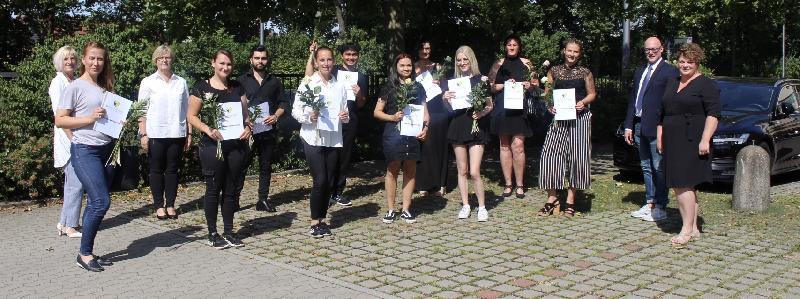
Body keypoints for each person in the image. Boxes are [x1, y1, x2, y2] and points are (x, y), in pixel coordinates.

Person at [55, 41, 116, 272]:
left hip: (106, 150)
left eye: (100, 58)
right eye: (92, 58)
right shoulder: (74, 86)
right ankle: (84, 254)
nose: (96, 62)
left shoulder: (105, 88)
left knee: (95, 202)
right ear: (83, 59)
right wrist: (89, 119)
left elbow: (106, 121)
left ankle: (87, 251)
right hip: (84, 150)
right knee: (101, 201)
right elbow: (60, 120)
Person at [187, 49, 252, 249]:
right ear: (213, 63)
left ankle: (229, 231)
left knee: (232, 189)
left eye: (229, 64)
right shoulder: (201, 88)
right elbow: (191, 116)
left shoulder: (237, 87)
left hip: (235, 146)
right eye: (222, 63)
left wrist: (249, 128)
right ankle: (212, 233)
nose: (225, 67)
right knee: (213, 189)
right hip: (212, 146)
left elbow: (246, 115)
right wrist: (208, 130)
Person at [657, 43, 718, 247]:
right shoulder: (672, 81)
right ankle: (693, 227)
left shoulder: (706, 84)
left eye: (689, 62)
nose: (684, 65)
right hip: (672, 138)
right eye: (682, 61)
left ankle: (686, 230)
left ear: (697, 62)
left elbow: (713, 114)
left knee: (683, 184)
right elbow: (663, 111)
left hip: (692, 139)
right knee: (680, 184)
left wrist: (705, 139)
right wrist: (660, 135)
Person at [293, 46, 350, 238]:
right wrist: (310, 117)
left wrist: (345, 116)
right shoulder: (308, 83)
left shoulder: (339, 85)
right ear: (316, 62)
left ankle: (322, 219)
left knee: (329, 181)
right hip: (313, 138)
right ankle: (314, 222)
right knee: (320, 180)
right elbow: (295, 111)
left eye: (329, 60)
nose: (326, 64)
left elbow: (345, 113)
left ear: (333, 62)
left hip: (333, 138)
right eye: (322, 60)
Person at [537, 38, 596, 217]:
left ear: (580, 54)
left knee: (578, 158)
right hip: (559, 119)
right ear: (564, 51)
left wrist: (583, 102)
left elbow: (592, 93)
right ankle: (552, 198)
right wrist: (549, 106)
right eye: (569, 51)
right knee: (549, 155)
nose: (572, 54)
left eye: (575, 52)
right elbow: (546, 94)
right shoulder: (553, 71)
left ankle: (570, 200)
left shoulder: (585, 72)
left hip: (580, 119)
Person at [304, 42, 368, 206]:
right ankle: (324, 190)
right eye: (348, 54)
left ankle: (338, 192)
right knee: (327, 156)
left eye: (354, 55)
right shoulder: (333, 69)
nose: (351, 57)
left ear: (358, 56)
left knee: (344, 157)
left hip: (349, 121)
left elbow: (361, 103)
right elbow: (309, 78)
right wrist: (312, 54)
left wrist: (359, 93)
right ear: (342, 57)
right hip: (329, 121)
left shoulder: (361, 76)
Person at [623, 37, 679, 222]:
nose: (651, 52)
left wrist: (665, 126)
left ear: (661, 49)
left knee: (658, 167)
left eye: (655, 49)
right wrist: (629, 125)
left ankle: (661, 205)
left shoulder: (670, 71)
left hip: (657, 127)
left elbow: (671, 102)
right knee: (646, 167)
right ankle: (650, 202)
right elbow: (634, 99)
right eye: (648, 49)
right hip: (639, 125)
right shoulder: (640, 71)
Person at [374, 53, 429, 224]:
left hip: (413, 134)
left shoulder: (419, 87)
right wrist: (392, 117)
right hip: (393, 134)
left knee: (410, 171)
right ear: (396, 67)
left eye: (409, 66)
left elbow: (425, 113)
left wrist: (426, 128)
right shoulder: (388, 87)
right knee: (392, 170)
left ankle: (406, 209)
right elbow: (376, 112)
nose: (406, 68)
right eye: (402, 65)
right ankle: (391, 209)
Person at [137, 45, 190, 220]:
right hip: (155, 133)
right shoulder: (148, 82)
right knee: (156, 170)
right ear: (155, 61)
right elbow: (141, 111)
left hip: (177, 132)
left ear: (171, 59)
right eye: (160, 58)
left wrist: (189, 133)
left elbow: (187, 110)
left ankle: (171, 205)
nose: (164, 60)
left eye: (167, 57)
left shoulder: (180, 82)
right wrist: (143, 134)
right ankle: (159, 205)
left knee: (173, 170)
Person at [441, 46, 493, 221]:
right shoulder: (452, 82)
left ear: (471, 60)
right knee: (462, 170)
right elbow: (450, 109)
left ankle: (482, 207)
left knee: (475, 171)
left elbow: (489, 105)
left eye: (465, 59)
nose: (462, 63)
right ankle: (465, 205)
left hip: (476, 127)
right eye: (459, 60)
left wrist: (481, 114)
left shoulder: (481, 80)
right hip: (458, 125)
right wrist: (445, 100)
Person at [238, 44, 288, 212]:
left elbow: (283, 103)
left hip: (268, 130)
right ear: (251, 59)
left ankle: (263, 199)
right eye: (257, 58)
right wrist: (245, 121)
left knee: (265, 166)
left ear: (267, 60)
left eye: (263, 58)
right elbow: (234, 104)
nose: (260, 61)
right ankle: (234, 199)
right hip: (248, 131)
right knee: (241, 165)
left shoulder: (274, 81)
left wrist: (276, 116)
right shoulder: (241, 81)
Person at [487, 34, 535, 199]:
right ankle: (508, 184)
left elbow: (536, 84)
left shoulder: (527, 63)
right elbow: (490, 87)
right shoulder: (498, 64)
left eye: (515, 45)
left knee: (519, 146)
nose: (512, 47)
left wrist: (529, 85)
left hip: (520, 110)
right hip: (502, 109)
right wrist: (503, 85)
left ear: (519, 47)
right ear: (505, 47)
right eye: (509, 45)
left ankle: (520, 185)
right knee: (504, 146)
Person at [50, 45, 84, 238]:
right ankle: (70, 225)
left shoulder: (75, 81)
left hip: (77, 135)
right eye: (66, 59)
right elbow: (60, 116)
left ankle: (64, 222)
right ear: (59, 62)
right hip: (68, 138)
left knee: (73, 182)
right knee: (76, 182)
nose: (70, 62)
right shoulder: (58, 83)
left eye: (72, 58)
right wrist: (73, 139)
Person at [415, 40, 451, 197]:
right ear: (418, 50)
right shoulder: (412, 67)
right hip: (419, 109)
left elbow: (446, 89)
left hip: (438, 110)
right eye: (422, 48)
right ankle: (422, 183)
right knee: (423, 146)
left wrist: (440, 85)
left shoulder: (438, 67)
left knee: (439, 145)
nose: (425, 51)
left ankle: (440, 184)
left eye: (428, 48)